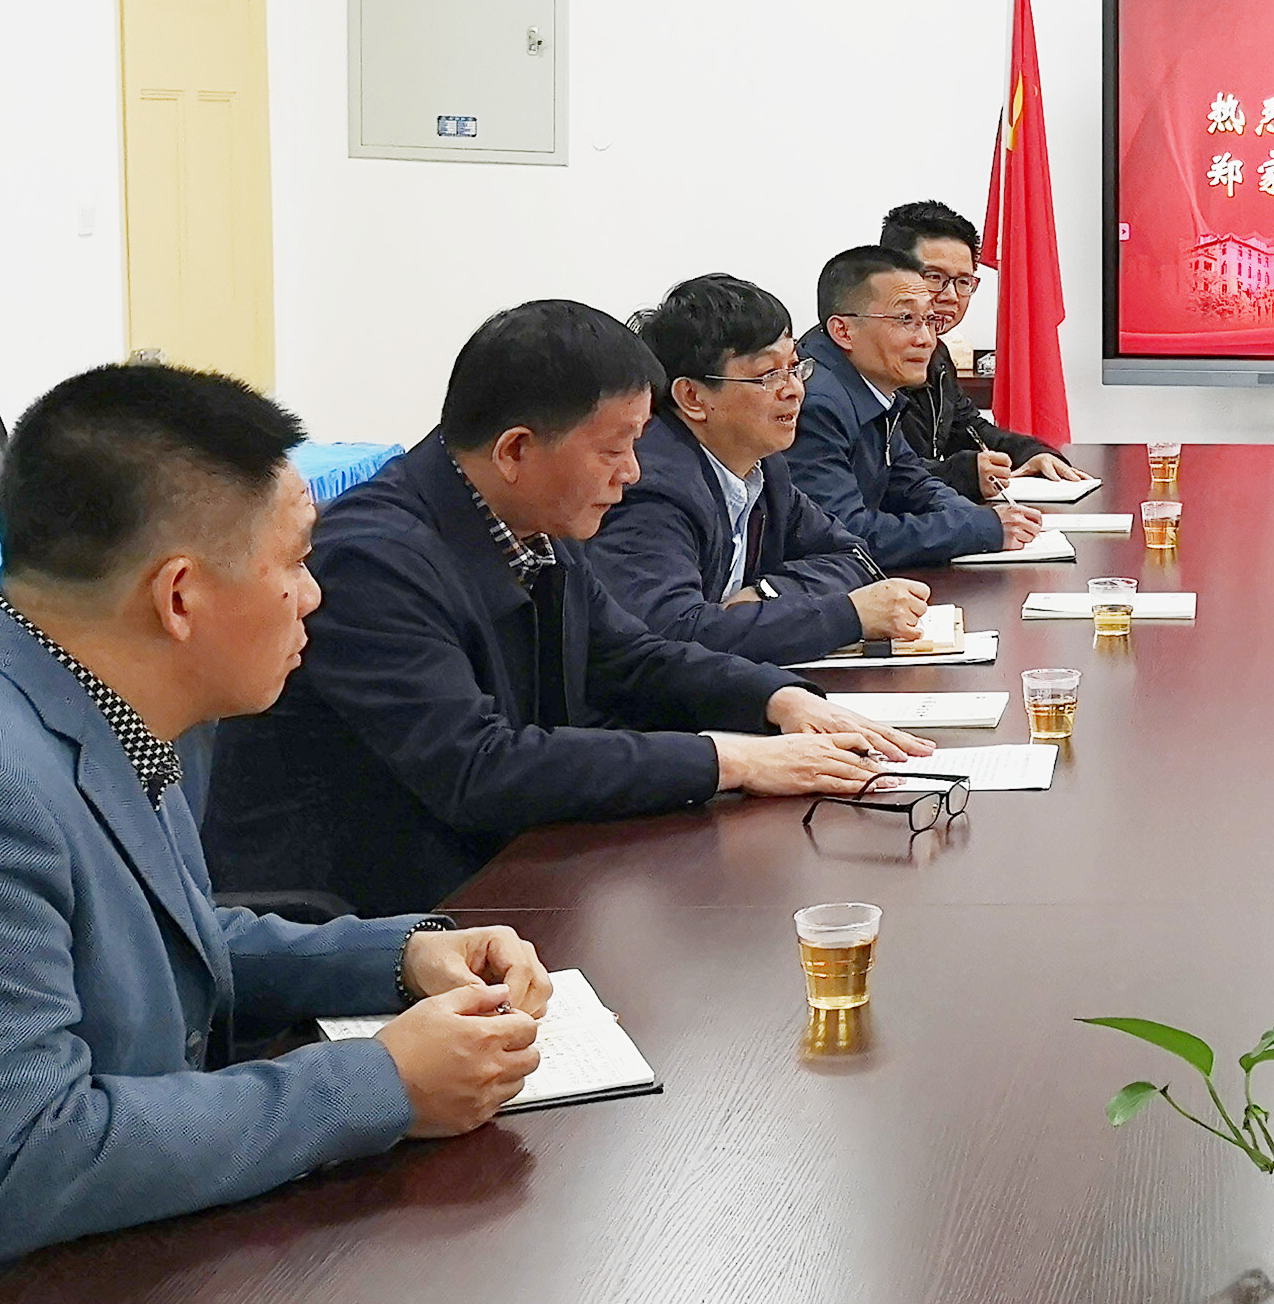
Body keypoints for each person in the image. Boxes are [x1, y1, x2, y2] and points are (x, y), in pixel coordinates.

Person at [0, 364, 554, 1304]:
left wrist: (396, 956)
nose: (313, 596)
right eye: (297, 561)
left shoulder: (83, 695)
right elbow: (20, 1161)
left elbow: (162, 936)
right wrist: (381, 1081)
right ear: (179, 595)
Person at [205, 300, 930, 916]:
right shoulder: (374, 558)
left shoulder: (535, 521)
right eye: (614, 450)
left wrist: (777, 699)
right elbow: (479, 768)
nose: (633, 473)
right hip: (365, 917)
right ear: (516, 450)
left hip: (500, 874)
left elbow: (629, 656)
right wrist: (733, 759)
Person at [585, 272, 934, 664]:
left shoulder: (764, 468)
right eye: (769, 375)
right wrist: (848, 616)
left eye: (795, 367)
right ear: (692, 397)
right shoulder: (652, 487)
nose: (794, 390)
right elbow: (673, 632)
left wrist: (767, 594)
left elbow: (853, 555)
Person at [787, 245, 1047, 567]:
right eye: (905, 319)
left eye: (929, 320)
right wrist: (981, 528)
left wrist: (987, 519)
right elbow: (847, 534)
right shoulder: (815, 403)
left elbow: (912, 482)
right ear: (843, 331)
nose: (926, 339)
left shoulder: (875, 387)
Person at [882, 198, 1090, 503]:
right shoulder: (861, 357)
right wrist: (963, 475)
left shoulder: (937, 355)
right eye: (935, 277)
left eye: (963, 281)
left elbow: (970, 430)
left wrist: (1033, 454)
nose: (951, 296)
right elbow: (881, 475)